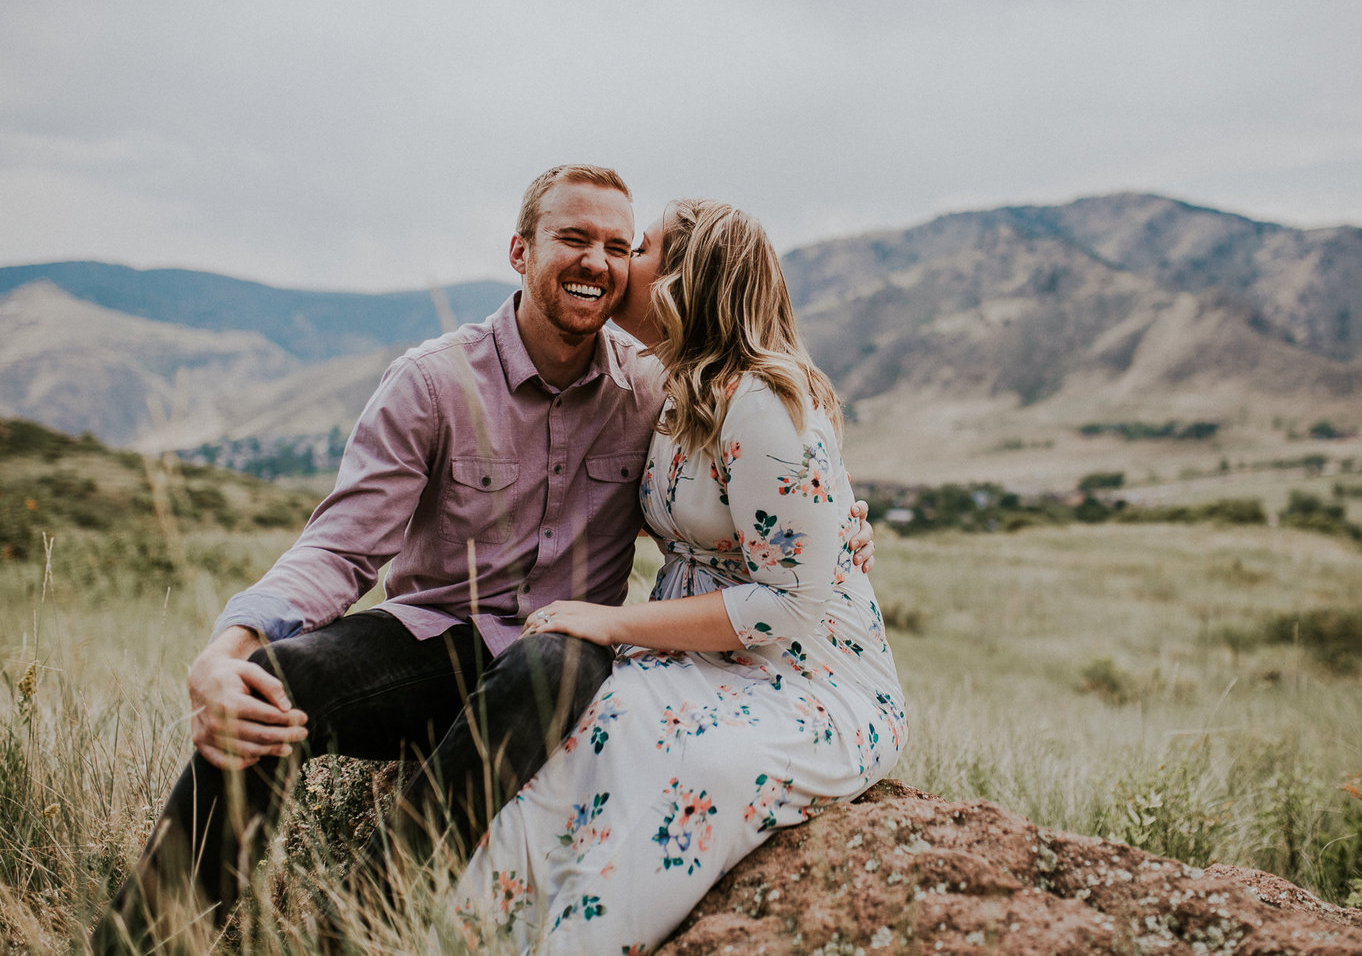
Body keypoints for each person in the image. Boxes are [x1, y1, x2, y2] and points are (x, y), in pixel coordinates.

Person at [91, 165, 878, 954]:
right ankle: (150, 936)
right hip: (436, 639)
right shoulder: (433, 382)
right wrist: (229, 647)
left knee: (550, 668)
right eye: (573, 238)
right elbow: (339, 546)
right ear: (520, 251)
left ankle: (358, 925)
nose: (598, 261)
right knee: (274, 683)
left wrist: (841, 532)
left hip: (559, 656)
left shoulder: (652, 388)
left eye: (618, 244)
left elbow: (752, 487)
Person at [452, 199, 907, 954]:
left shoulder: (764, 401)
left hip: (807, 675)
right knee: (596, 720)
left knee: (699, 761)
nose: (619, 262)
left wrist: (609, 621)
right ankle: (466, 935)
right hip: (698, 658)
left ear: (684, 279)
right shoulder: (668, 387)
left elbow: (788, 605)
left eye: (642, 248)